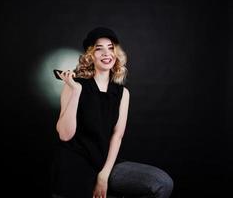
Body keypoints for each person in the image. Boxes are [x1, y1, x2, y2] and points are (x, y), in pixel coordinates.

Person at [50, 27, 173, 198]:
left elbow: (117, 136)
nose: (106, 53)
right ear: (90, 55)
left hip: (106, 163)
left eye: (110, 48)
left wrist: (104, 175)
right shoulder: (74, 86)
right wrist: (76, 91)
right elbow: (64, 135)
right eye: (99, 49)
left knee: (161, 182)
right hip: (75, 164)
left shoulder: (122, 94)